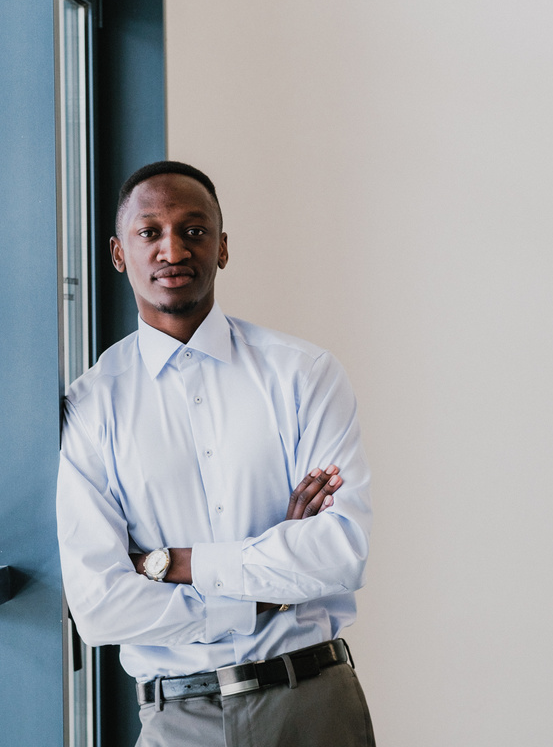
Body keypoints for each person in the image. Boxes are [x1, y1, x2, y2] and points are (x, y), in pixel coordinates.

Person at [57, 160, 375, 747]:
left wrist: (170, 563)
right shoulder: (91, 406)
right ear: (119, 254)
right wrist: (266, 589)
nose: (173, 249)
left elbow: (338, 554)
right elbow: (100, 607)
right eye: (149, 232)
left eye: (194, 230)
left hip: (312, 702)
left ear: (222, 248)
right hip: (178, 719)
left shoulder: (304, 375)